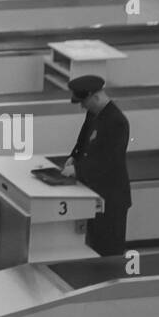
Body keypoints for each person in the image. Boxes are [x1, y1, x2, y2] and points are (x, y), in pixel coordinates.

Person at [60, 74, 132, 257]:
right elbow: (83, 142)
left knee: (108, 250)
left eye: (84, 102)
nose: (82, 106)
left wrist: (77, 170)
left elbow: (109, 160)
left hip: (110, 197)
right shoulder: (94, 114)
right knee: (92, 246)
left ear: (96, 96)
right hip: (93, 191)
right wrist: (73, 157)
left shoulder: (117, 121)